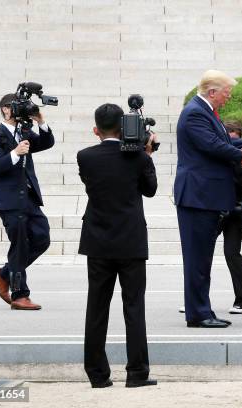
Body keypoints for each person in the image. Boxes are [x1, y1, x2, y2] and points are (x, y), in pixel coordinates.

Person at [77, 103, 158, 388]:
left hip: (98, 241)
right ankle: (137, 373)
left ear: (96, 130)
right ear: (123, 128)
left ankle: (97, 375)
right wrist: (146, 154)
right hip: (131, 241)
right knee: (134, 307)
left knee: (96, 308)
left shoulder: (85, 156)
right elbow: (150, 190)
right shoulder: (138, 157)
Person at [174, 70, 242, 328]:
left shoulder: (206, 112)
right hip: (198, 196)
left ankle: (202, 311)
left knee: (202, 259)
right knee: (197, 259)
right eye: (226, 92)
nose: (228, 97)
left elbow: (226, 141)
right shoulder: (195, 113)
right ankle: (199, 314)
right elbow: (213, 146)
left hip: (205, 196)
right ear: (213, 92)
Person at [0, 93, 54, 311]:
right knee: (20, 245)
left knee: (42, 238)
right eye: (15, 107)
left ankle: (3, 274)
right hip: (9, 200)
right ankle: (20, 295)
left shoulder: (23, 132)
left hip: (29, 199)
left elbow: (46, 142)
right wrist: (15, 152)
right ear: (5, 109)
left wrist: (40, 121)